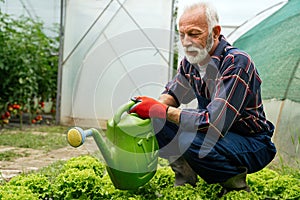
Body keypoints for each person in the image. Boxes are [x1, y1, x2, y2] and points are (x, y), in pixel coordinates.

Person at [129, 2, 276, 196]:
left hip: (251, 142)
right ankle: (185, 177)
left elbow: (215, 123)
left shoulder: (236, 63)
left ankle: (235, 185)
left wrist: (161, 110)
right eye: (182, 35)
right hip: (218, 135)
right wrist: (153, 107)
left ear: (215, 32)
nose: (186, 41)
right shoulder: (192, 60)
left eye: (194, 33)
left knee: (190, 138)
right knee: (160, 121)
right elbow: (172, 94)